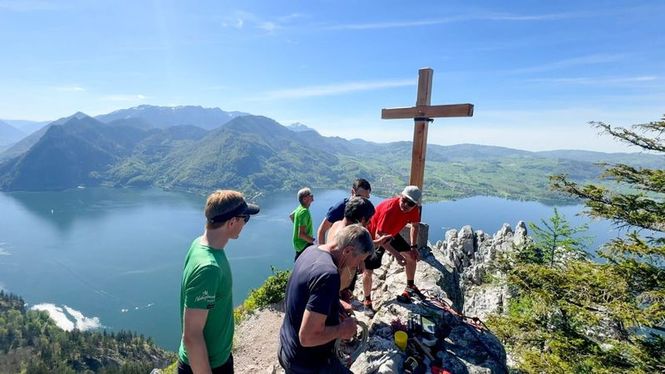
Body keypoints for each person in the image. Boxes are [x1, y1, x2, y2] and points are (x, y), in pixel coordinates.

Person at [178, 190, 260, 374]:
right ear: (232, 222)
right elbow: (192, 336)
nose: (245, 224)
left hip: (215, 358)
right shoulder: (209, 268)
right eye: (245, 218)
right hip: (206, 365)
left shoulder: (199, 244)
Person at [278, 224, 374, 374]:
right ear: (348, 250)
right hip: (307, 363)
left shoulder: (311, 250)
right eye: (359, 260)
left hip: (287, 347)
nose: (359, 266)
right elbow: (307, 337)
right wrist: (342, 330)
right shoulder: (329, 275)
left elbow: (305, 295)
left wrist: (335, 304)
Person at [362, 185, 423, 312]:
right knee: (368, 270)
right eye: (404, 200)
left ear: (415, 204)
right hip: (373, 239)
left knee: (412, 256)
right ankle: (367, 300)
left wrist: (413, 247)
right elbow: (380, 237)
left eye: (410, 203)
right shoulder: (389, 209)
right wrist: (397, 255)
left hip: (391, 234)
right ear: (400, 196)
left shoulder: (414, 210)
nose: (405, 205)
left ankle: (410, 286)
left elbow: (415, 226)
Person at [316, 179, 371, 245]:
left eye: (365, 198)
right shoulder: (341, 207)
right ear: (353, 192)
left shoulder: (365, 209)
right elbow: (322, 230)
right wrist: (322, 251)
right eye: (359, 196)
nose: (362, 200)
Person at [290, 187, 315, 261]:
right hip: (304, 244)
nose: (312, 195)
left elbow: (291, 216)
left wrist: (298, 226)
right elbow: (301, 234)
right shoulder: (304, 212)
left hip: (298, 244)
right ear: (304, 199)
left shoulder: (300, 208)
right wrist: (314, 241)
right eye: (310, 194)